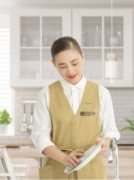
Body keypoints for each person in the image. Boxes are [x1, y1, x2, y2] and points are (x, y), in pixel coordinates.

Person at [31, 36, 120, 179]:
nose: (70, 71)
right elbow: (40, 136)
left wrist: (106, 142)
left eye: (74, 63)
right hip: (57, 170)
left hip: (91, 171)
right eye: (62, 66)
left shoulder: (101, 93)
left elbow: (110, 130)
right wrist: (64, 158)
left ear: (83, 56)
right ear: (53, 64)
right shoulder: (45, 94)